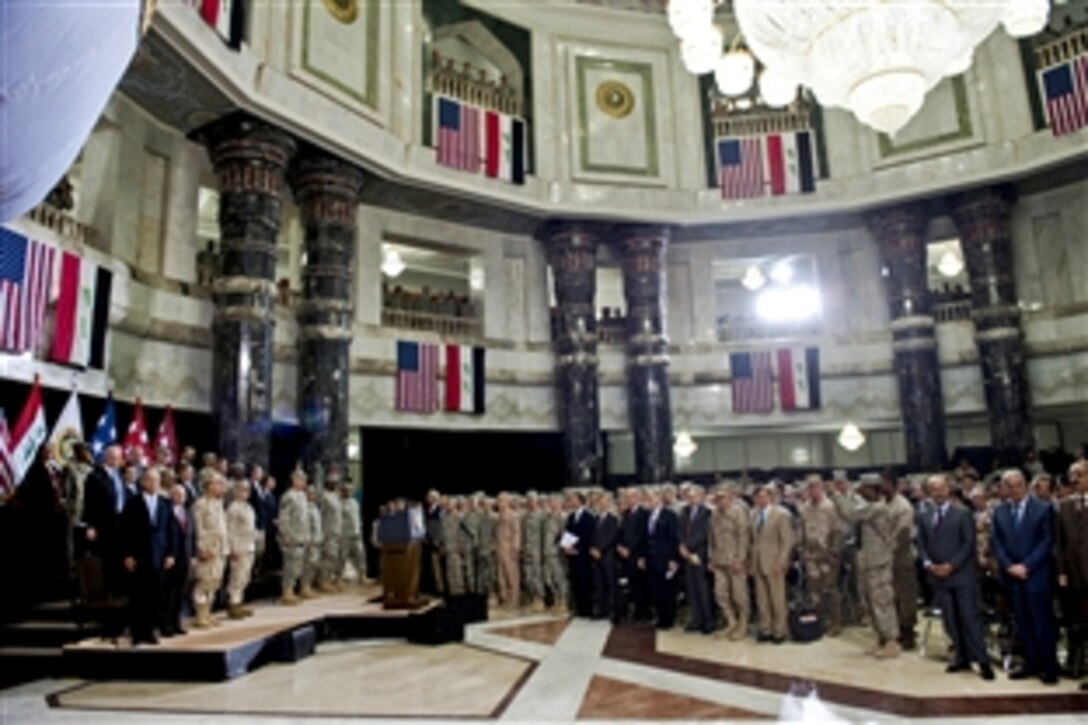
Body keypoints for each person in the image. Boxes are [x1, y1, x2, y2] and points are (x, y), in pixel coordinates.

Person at [917, 474, 994, 679]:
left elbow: (968, 544)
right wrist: (929, 564)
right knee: (950, 620)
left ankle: (982, 660)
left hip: (961, 575)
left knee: (969, 618)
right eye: (933, 490)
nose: (937, 493)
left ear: (948, 489)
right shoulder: (924, 514)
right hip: (938, 576)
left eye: (941, 489)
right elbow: (922, 544)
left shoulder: (962, 513)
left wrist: (950, 565)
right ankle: (961, 657)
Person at [991, 469, 1058, 684]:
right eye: (1009, 486)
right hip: (1012, 576)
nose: (1014, 489)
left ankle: (1049, 666)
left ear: (1026, 485)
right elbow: (997, 543)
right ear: (1004, 489)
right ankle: (1030, 663)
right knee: (1022, 623)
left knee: (1042, 623)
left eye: (1018, 484)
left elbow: (1047, 541)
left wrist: (1026, 565)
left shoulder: (1043, 508)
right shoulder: (1000, 511)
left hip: (1036, 574)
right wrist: (1009, 566)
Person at [831, 476, 901, 659]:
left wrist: (836, 494)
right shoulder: (870, 507)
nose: (860, 492)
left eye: (864, 489)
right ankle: (880, 638)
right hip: (867, 560)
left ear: (874, 490)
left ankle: (891, 640)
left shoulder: (878, 508)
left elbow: (851, 514)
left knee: (882, 602)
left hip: (879, 561)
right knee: (869, 602)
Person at [119, 468, 178, 645]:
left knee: (156, 596)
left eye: (157, 481)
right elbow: (124, 531)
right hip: (139, 556)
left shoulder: (165, 503)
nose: (154, 484)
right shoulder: (133, 503)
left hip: (159, 557)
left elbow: (171, 530)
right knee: (138, 596)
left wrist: (171, 554)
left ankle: (151, 630)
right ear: (143, 482)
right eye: (150, 480)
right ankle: (138, 633)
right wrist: (127, 555)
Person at [82, 445, 129, 601]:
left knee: (119, 557)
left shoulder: (118, 475)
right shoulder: (95, 476)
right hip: (104, 524)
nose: (118, 460)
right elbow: (89, 503)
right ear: (106, 457)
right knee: (108, 559)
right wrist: (90, 525)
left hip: (121, 523)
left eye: (119, 457)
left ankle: (119, 590)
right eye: (114, 457)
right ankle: (107, 592)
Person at [1057, 461, 1088, 691]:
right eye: (1072, 475)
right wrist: (1062, 571)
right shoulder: (1064, 506)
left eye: (1080, 474)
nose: (1075, 479)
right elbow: (1060, 544)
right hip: (1076, 576)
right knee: (1081, 622)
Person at [799, 476, 842, 637]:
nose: (812, 491)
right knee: (814, 591)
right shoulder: (804, 508)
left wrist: (835, 552)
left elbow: (838, 531)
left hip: (827, 555)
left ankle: (835, 622)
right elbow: (801, 531)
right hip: (811, 556)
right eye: (810, 487)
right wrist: (801, 550)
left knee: (829, 590)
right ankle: (820, 621)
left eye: (815, 487)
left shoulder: (830, 507)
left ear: (821, 488)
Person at [752, 485, 794, 644]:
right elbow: (753, 541)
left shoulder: (781, 514)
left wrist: (781, 562)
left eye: (764, 496)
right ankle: (766, 628)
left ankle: (780, 630)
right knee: (762, 599)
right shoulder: (754, 514)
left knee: (777, 599)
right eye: (758, 497)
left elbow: (787, 541)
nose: (761, 500)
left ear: (771, 497)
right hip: (758, 562)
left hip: (774, 561)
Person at [710, 483, 751, 640]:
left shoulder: (738, 512)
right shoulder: (714, 514)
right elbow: (712, 538)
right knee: (721, 594)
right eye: (717, 498)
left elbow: (744, 537)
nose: (719, 501)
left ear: (730, 497)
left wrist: (740, 559)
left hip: (735, 561)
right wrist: (711, 558)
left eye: (723, 497)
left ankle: (743, 624)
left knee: (739, 595)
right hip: (720, 560)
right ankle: (731, 622)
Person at [884, 473, 919, 650]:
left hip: (902, 556)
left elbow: (901, 534)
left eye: (884, 484)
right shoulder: (883, 503)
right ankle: (894, 629)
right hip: (886, 557)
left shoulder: (902, 506)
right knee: (891, 596)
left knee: (905, 595)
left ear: (893, 485)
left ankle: (908, 631)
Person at [191, 470, 228, 628]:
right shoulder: (200, 504)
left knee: (214, 582)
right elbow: (197, 528)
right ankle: (200, 614)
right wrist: (201, 548)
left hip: (219, 548)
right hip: (207, 548)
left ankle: (208, 612)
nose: (221, 486)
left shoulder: (218, 504)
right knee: (204, 582)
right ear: (207, 485)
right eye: (217, 483)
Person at [678, 485, 713, 634]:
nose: (691, 499)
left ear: (701, 496)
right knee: (691, 589)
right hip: (686, 554)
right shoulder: (684, 511)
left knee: (702, 588)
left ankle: (708, 621)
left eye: (694, 496)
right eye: (689, 496)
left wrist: (687, 545)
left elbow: (703, 533)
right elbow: (679, 530)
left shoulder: (707, 512)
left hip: (700, 553)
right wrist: (681, 546)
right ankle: (696, 619)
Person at [644, 488, 679, 629]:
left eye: (651, 499)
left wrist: (673, 559)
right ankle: (660, 616)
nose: (649, 502)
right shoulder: (649, 516)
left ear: (659, 500)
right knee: (655, 589)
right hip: (652, 558)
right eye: (648, 500)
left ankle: (668, 619)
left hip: (665, 558)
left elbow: (673, 538)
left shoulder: (669, 515)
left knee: (667, 590)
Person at [162, 484, 194, 637]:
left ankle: (176, 623)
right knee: (169, 594)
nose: (180, 497)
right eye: (177, 494)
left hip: (185, 558)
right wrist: (168, 554)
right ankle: (166, 625)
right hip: (172, 558)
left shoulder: (187, 512)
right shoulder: (165, 511)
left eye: (183, 494)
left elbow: (191, 536)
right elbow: (164, 536)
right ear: (171, 495)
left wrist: (192, 556)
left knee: (181, 593)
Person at [226, 482, 258, 619]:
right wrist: (232, 547)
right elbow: (230, 529)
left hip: (249, 545)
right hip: (238, 546)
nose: (245, 493)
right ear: (236, 492)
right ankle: (233, 604)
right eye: (242, 490)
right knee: (237, 577)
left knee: (245, 576)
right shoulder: (233, 508)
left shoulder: (249, 507)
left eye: (247, 490)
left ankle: (239, 602)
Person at [277, 471, 309, 604]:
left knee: (297, 566)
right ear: (294, 480)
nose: (303, 482)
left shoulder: (302, 495)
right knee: (290, 566)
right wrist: (286, 534)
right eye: (301, 479)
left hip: (301, 536)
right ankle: (287, 592)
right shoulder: (288, 496)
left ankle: (293, 590)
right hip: (292, 536)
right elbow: (284, 518)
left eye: (304, 480)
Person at [618, 488, 649, 622]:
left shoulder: (644, 514)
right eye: (627, 497)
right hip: (625, 555)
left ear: (637, 497)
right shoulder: (625, 513)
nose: (628, 500)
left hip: (638, 554)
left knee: (641, 585)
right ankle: (633, 611)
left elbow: (643, 535)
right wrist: (620, 546)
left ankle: (643, 613)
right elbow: (621, 532)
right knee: (630, 585)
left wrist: (630, 549)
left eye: (631, 497)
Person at [564, 491, 596, 617]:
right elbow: (568, 533)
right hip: (572, 555)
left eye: (573, 499)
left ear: (580, 501)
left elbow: (589, 536)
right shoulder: (571, 517)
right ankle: (578, 608)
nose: (571, 501)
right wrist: (566, 547)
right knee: (575, 581)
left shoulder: (589, 517)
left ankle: (587, 609)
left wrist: (577, 548)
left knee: (585, 582)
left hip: (583, 555)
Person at [590, 491, 620, 622]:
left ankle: (612, 610)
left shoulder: (612, 519)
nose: (602, 504)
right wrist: (592, 548)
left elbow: (611, 537)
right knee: (599, 584)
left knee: (610, 584)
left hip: (608, 556)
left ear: (608, 504)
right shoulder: (595, 519)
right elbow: (591, 536)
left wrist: (599, 549)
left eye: (604, 502)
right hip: (595, 557)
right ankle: (601, 609)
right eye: (600, 502)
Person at [318, 472, 344, 592]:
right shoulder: (324, 496)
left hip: (337, 530)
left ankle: (330, 579)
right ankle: (323, 581)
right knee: (327, 557)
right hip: (327, 530)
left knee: (335, 557)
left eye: (336, 482)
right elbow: (321, 514)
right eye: (333, 482)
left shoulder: (336, 496)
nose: (335, 484)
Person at [542, 494, 568, 613]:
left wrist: (563, 549)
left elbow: (565, 535)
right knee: (549, 578)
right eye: (550, 502)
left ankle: (563, 601)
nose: (551, 504)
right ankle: (556, 599)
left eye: (553, 502)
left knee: (559, 578)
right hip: (547, 552)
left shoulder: (562, 517)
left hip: (557, 553)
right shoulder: (547, 518)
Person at [521, 493, 546, 611]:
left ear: (536, 502)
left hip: (537, 549)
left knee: (537, 576)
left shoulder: (542, 516)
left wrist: (542, 550)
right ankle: (532, 598)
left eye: (532, 500)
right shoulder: (525, 516)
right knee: (528, 575)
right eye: (528, 500)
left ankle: (539, 599)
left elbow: (544, 535)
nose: (530, 503)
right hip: (527, 549)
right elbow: (523, 534)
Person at [495, 494, 521, 608]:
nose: (499, 503)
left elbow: (517, 532)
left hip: (509, 547)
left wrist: (515, 547)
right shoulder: (499, 515)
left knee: (511, 575)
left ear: (507, 502)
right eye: (498, 501)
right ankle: (504, 598)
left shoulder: (512, 515)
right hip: (500, 547)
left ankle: (513, 599)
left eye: (501, 501)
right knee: (501, 575)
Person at [340, 483, 367, 583]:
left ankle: (362, 576)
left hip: (356, 533)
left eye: (350, 490)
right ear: (342, 491)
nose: (349, 492)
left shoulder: (355, 502)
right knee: (342, 557)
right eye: (346, 490)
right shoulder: (340, 503)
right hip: (345, 535)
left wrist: (359, 529)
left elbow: (357, 517)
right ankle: (338, 578)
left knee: (360, 555)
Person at [303, 486, 323, 598]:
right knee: (308, 565)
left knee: (313, 565)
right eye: (310, 493)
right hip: (309, 541)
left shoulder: (314, 507)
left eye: (313, 493)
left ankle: (309, 586)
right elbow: (305, 525)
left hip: (316, 540)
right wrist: (308, 540)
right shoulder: (304, 507)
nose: (312, 495)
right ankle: (305, 587)